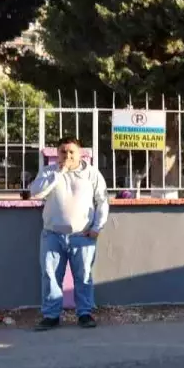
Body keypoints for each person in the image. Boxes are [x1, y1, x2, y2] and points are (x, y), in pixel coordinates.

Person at [28, 136, 109, 331]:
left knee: (84, 276)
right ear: (57, 154)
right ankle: (51, 316)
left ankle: (84, 314)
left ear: (80, 153)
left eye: (71, 151)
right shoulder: (48, 172)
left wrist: (97, 227)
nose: (67, 155)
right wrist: (59, 172)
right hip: (52, 235)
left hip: (83, 236)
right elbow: (36, 193)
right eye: (63, 152)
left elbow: (102, 201)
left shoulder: (91, 174)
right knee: (50, 276)